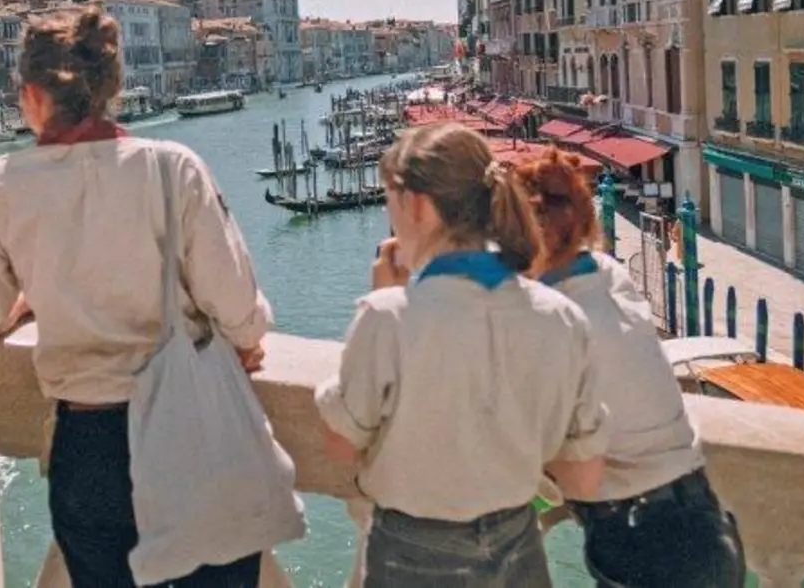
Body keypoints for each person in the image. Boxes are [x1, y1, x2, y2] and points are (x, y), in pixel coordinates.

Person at [0, 7, 273, 587]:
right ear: (112, 88)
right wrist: (242, 344)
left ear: (29, 94)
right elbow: (242, 314)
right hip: (194, 435)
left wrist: (27, 299)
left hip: (90, 449)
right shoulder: (174, 169)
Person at [315, 123, 608, 588]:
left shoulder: (387, 318)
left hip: (410, 557)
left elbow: (342, 443)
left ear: (415, 205)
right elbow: (585, 476)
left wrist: (386, 304)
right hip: (518, 551)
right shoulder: (563, 318)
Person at [515, 148, 746, 588]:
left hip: (642, 542)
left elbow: (569, 467)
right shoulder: (610, 275)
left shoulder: (551, 320)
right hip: (708, 526)